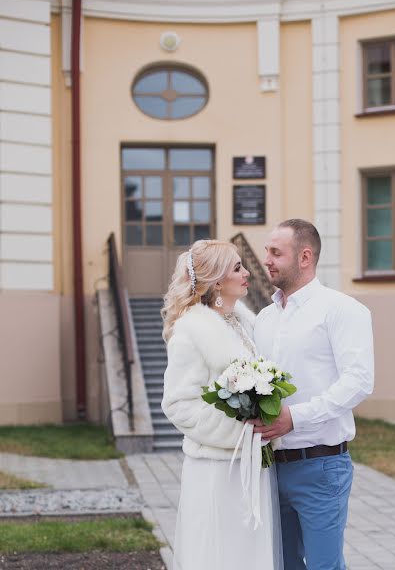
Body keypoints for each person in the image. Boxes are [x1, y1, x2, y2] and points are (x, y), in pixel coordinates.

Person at [252, 219, 374, 570]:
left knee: (324, 566)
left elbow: (359, 380)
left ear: (305, 257)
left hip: (321, 465)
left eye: (276, 252)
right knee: (283, 564)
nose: (267, 260)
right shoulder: (263, 318)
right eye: (266, 252)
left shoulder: (341, 310)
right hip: (270, 468)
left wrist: (296, 417)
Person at [161, 239, 283, 570]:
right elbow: (177, 403)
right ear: (217, 281)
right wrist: (236, 431)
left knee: (250, 553)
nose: (247, 273)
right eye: (237, 268)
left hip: (251, 463)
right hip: (217, 468)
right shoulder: (193, 329)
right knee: (219, 553)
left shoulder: (243, 323)